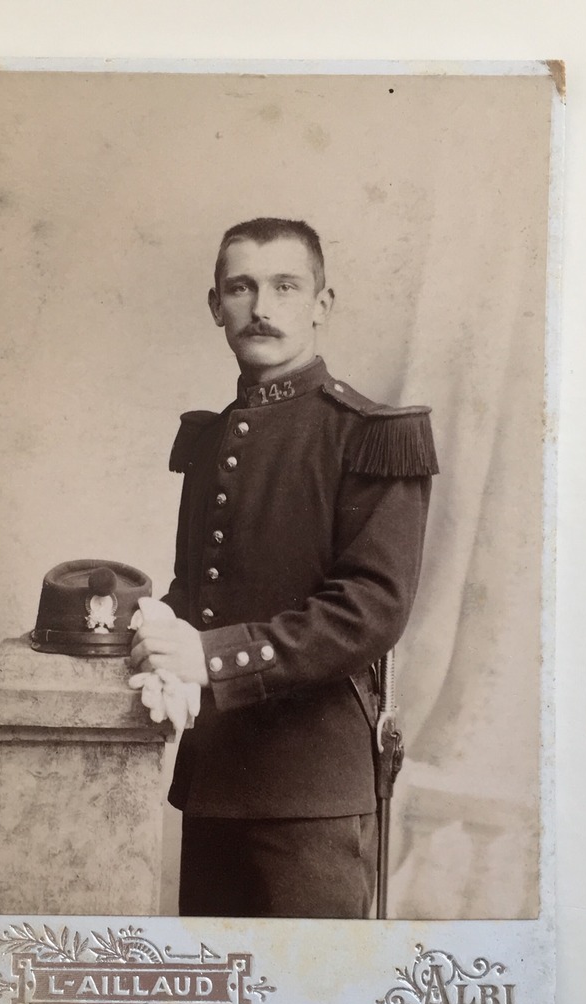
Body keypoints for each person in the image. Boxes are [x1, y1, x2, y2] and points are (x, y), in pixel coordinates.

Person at [129, 217, 437, 917]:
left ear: (321, 304)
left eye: (285, 286)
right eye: (240, 287)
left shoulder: (370, 437)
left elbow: (371, 609)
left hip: (312, 793)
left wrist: (210, 656)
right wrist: (155, 629)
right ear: (216, 306)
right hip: (215, 779)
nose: (261, 307)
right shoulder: (212, 439)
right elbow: (200, 590)